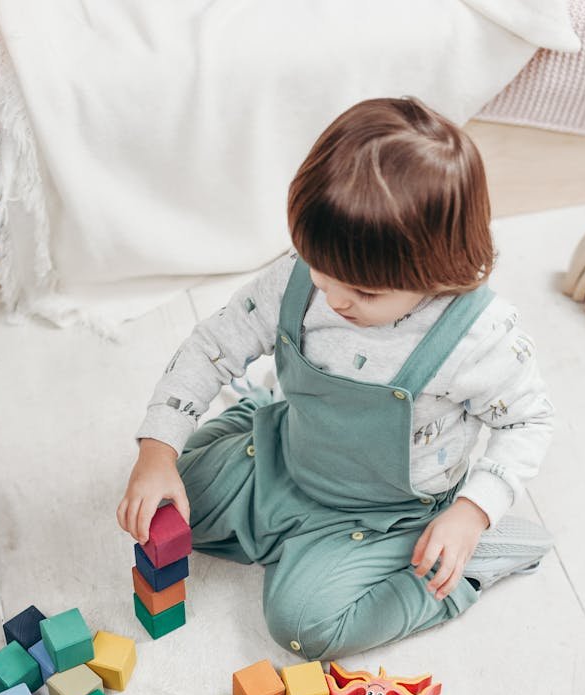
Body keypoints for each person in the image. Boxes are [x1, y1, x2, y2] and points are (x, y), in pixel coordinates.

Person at [117, 96, 554, 661]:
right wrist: (156, 451)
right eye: (320, 275)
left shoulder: (477, 336)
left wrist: (472, 512)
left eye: (365, 293)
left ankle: (473, 564)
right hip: (289, 455)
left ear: (438, 267)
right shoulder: (304, 276)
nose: (336, 300)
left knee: (304, 624)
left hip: (385, 514)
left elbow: (530, 419)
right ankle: (256, 421)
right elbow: (213, 343)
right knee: (171, 504)